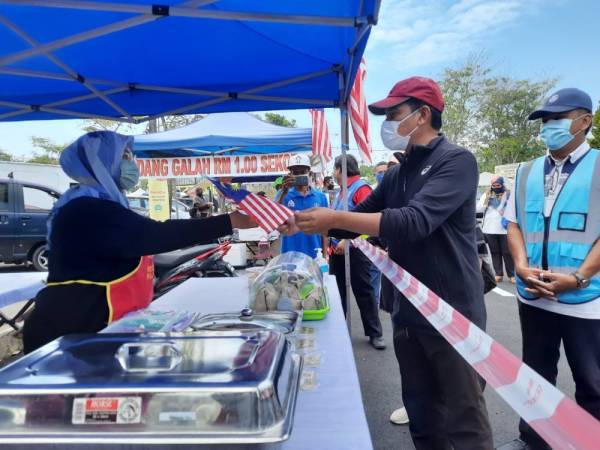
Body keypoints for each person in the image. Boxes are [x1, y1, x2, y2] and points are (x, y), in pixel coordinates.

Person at [283, 77, 493, 449]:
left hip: (452, 312)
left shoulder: (456, 161)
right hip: (408, 311)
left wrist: (335, 220)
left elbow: (413, 222)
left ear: (423, 114)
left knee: (464, 419)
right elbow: (358, 218)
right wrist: (305, 219)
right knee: (422, 413)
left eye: (394, 114)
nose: (388, 124)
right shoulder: (397, 173)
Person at [22, 131, 254, 354]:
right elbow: (152, 235)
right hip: (70, 334)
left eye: (131, 157)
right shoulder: (85, 208)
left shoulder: (105, 204)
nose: (132, 165)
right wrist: (230, 221)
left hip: (99, 329)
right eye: (124, 157)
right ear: (101, 162)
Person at [505, 88, 599, 450]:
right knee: (535, 377)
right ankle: (533, 440)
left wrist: (578, 277)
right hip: (535, 296)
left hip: (586, 298)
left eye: (557, 119)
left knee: (592, 383)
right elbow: (513, 224)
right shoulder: (526, 171)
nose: (548, 127)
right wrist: (520, 266)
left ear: (585, 121)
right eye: (544, 121)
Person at [330, 155, 385, 350]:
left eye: (334, 168)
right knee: (338, 294)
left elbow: (368, 219)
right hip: (336, 251)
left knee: (364, 291)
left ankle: (375, 333)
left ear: (340, 169)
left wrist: (348, 240)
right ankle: (338, 330)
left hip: (355, 250)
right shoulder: (340, 192)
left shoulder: (361, 188)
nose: (333, 172)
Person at [277, 154, 328, 258]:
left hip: (314, 255)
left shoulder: (320, 197)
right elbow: (275, 219)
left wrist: (325, 255)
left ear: (309, 172)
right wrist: (283, 192)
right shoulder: (283, 194)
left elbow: (325, 230)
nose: (299, 175)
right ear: (290, 174)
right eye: (295, 173)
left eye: (302, 172)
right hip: (289, 256)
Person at [477, 175, 515, 283]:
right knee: (494, 252)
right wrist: (487, 198)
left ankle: (512, 274)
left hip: (505, 228)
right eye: (493, 185)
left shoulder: (508, 195)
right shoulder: (487, 194)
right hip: (489, 228)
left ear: (502, 184)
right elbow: (478, 208)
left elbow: (513, 208)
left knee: (507, 252)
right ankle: (498, 274)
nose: (496, 187)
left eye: (498, 185)